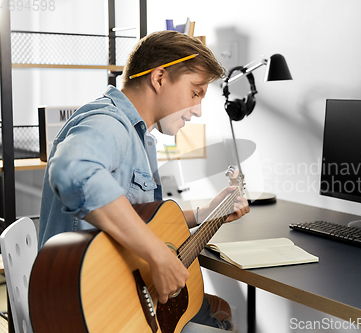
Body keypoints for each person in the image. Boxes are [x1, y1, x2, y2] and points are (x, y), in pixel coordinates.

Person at [38, 30, 249, 332]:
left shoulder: (141, 138)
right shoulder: (109, 124)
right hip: (91, 308)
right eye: (195, 92)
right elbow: (73, 171)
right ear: (160, 78)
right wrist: (157, 254)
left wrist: (205, 214)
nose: (198, 110)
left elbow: (144, 220)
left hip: (124, 297)